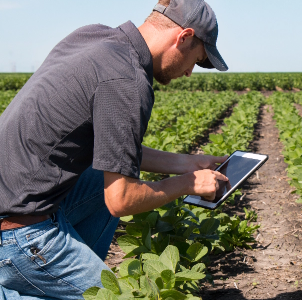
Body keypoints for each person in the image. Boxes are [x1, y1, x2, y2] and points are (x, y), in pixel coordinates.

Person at [0, 0, 229, 299]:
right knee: (123, 296)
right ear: (183, 37)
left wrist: (189, 164)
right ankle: (47, 279)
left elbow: (116, 152)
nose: (189, 73)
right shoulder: (128, 80)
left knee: (101, 176)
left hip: (14, 204)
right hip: (19, 235)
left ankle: (56, 284)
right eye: (196, 61)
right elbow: (121, 201)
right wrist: (189, 184)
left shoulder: (93, 37)